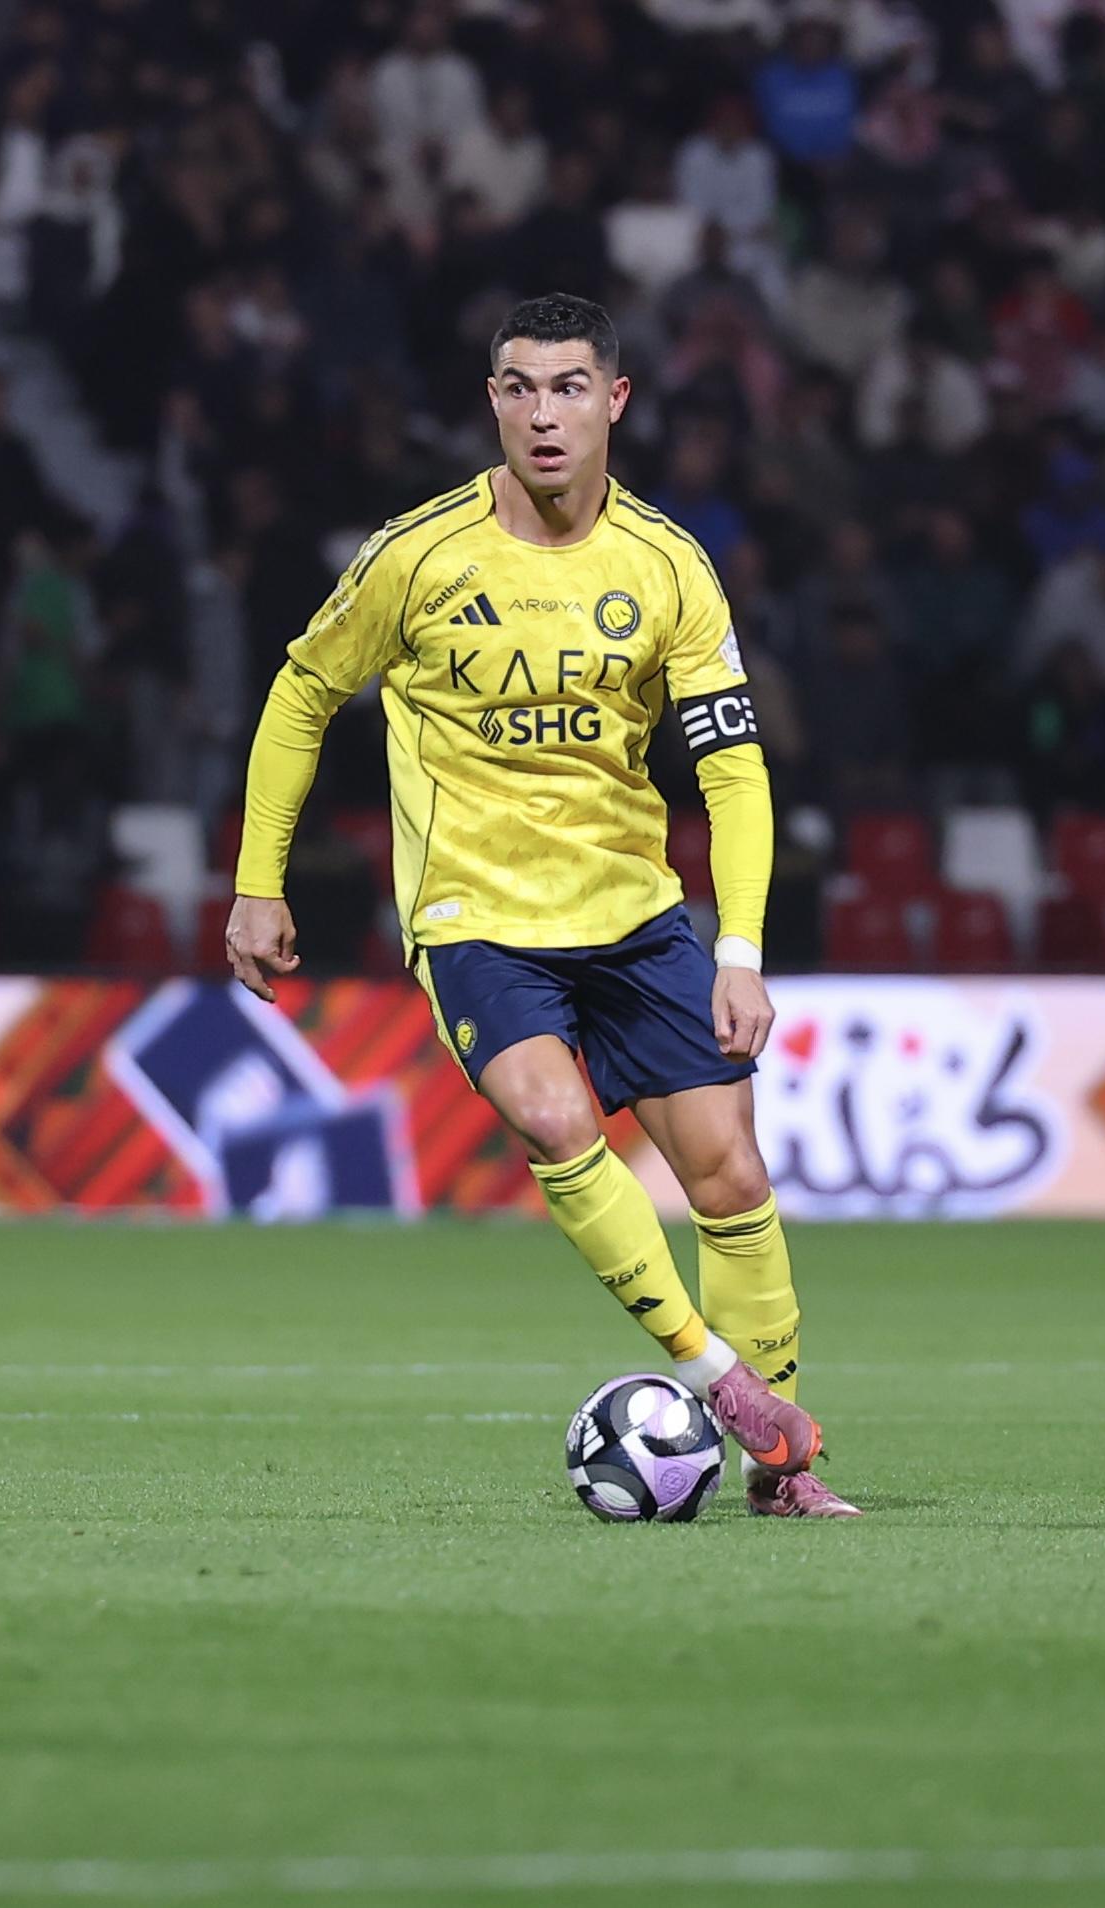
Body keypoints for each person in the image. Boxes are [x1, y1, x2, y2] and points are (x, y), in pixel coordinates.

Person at [222, 294, 858, 1518]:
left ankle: (783, 1482)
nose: (544, 414)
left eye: (569, 387)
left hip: (633, 915)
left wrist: (738, 948)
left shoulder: (668, 565)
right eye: (519, 387)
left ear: (615, 400)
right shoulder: (419, 554)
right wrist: (259, 882)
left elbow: (732, 767)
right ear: (493, 404)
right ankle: (719, 1380)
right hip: (477, 915)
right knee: (558, 1120)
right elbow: (302, 693)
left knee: (730, 1177)